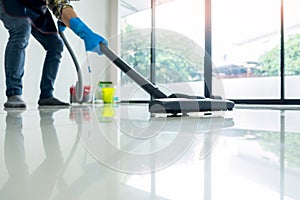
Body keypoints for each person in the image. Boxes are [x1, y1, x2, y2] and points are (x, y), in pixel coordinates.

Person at [0, 0, 107, 108]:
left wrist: (83, 30)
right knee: (21, 29)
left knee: (56, 44)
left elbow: (61, 5)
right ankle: (14, 93)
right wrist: (84, 31)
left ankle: (46, 95)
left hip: (35, 8)